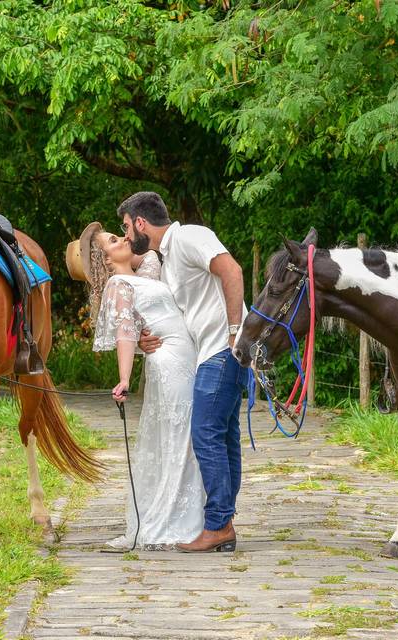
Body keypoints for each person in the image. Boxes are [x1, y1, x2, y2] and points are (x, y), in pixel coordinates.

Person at [117, 192, 247, 553]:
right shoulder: (169, 260)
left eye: (126, 227)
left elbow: (232, 270)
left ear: (141, 223)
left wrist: (236, 331)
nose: (127, 236)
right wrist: (147, 337)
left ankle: (219, 524)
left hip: (223, 349)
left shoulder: (190, 236)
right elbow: (177, 315)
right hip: (210, 351)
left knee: (205, 432)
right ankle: (224, 523)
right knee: (223, 436)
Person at [66, 222, 205, 550]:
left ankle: (193, 516)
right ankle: (175, 521)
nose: (124, 238)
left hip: (187, 358)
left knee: (189, 435)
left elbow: (152, 255)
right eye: (114, 240)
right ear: (105, 261)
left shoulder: (147, 271)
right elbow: (125, 332)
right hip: (169, 363)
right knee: (178, 436)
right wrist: (125, 377)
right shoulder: (118, 283)